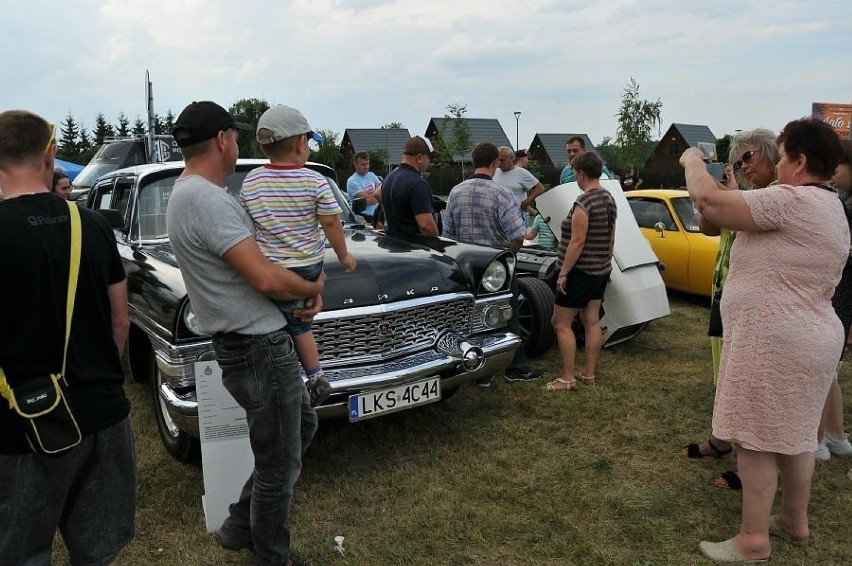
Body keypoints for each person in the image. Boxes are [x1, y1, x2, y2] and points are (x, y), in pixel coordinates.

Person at [166, 100, 326, 566]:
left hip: (248, 343)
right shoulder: (207, 199)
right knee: (278, 465)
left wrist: (295, 295)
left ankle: (238, 525)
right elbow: (266, 278)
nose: (238, 146)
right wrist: (312, 286)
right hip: (257, 346)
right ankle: (272, 556)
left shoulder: (188, 194)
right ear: (222, 140)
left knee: (302, 426)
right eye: (236, 138)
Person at [682, 118, 848, 564]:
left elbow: (705, 199)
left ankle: (753, 540)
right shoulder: (829, 205)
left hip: (773, 340)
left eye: (782, 154)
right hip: (811, 336)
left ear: (800, 161)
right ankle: (794, 521)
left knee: (754, 439)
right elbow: (714, 219)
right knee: (794, 438)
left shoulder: (792, 201)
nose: (775, 165)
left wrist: (692, 160)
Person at [0, 110, 135, 565]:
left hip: (21, 425)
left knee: (21, 553)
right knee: (97, 552)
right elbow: (120, 322)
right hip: (103, 416)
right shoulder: (93, 226)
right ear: (50, 154)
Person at [678, 129, 781, 493]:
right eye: (737, 162)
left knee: (748, 382)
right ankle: (722, 441)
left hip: (755, 302)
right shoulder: (740, 196)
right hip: (724, 291)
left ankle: (746, 459)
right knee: (724, 375)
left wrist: (714, 185)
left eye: (748, 158)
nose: (742, 167)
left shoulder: (775, 198)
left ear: (773, 156)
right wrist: (718, 193)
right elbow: (708, 227)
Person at [241, 104, 354, 408]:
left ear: (264, 146)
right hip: (308, 266)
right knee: (301, 323)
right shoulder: (314, 181)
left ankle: (299, 377)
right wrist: (343, 255)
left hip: (273, 267)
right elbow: (330, 221)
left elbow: (246, 223)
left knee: (286, 321)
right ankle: (316, 376)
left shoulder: (251, 181)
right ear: (302, 143)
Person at [442, 142, 543, 386]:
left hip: (465, 265)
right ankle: (515, 368)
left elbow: (447, 234)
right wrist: (509, 255)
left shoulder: (455, 192)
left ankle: (480, 372)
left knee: (471, 318)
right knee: (509, 316)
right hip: (496, 268)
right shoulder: (501, 194)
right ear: (495, 163)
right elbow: (517, 236)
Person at [547, 151, 617, 391]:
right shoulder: (609, 199)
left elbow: (577, 242)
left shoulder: (584, 202)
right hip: (600, 270)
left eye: (575, 173)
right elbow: (611, 237)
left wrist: (564, 273)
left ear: (581, 173)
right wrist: (604, 264)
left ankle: (567, 378)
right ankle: (588, 374)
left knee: (561, 323)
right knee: (592, 321)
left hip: (579, 272)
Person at [816, 137, 852, 461]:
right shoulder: (842, 199)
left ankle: (817, 440)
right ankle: (836, 436)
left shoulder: (845, 205)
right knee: (831, 371)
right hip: (842, 292)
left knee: (824, 369)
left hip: (841, 294)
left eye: (837, 166)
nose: (832, 173)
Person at [380, 135, 438, 237]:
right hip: (413, 248)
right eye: (428, 158)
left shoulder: (388, 178)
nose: (429, 162)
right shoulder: (417, 183)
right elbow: (426, 225)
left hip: (391, 245)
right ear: (420, 158)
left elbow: (377, 194)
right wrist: (438, 243)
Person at [493, 146, 545, 220]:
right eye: (498, 160)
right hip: (497, 217)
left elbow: (540, 188)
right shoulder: (494, 172)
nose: (499, 163)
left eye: (502, 160)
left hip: (515, 218)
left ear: (512, 159)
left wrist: (527, 201)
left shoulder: (521, 173)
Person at [346, 151, 381, 221]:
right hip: (363, 218)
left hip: (377, 215)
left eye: (368, 163)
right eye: (363, 164)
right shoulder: (352, 181)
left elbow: (381, 190)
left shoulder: (372, 175)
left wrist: (374, 196)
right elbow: (366, 199)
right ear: (355, 165)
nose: (366, 167)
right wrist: (377, 196)